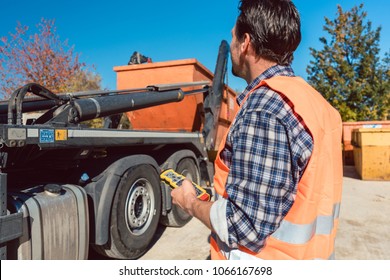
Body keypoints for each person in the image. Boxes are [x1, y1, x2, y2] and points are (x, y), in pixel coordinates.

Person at [171, 0, 343, 260]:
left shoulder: (264, 107)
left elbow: (242, 226)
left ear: (246, 43)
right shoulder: (320, 105)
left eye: (233, 37)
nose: (231, 47)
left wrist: (190, 203)